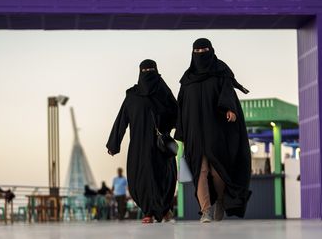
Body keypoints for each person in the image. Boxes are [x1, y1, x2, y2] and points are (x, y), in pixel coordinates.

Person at [175, 38, 252, 223]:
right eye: (197, 51)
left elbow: (228, 94)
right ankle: (206, 210)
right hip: (195, 134)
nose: (201, 54)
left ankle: (219, 201)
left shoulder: (220, 73)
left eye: (204, 50)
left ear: (211, 50)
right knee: (199, 171)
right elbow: (181, 107)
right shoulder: (187, 80)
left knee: (218, 171)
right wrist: (182, 132)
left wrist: (230, 109)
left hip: (216, 131)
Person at [107, 59, 178, 223]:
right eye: (145, 71)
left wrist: (179, 132)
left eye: (150, 70)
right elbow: (122, 120)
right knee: (141, 178)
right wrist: (113, 144)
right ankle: (148, 211)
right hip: (139, 146)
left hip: (160, 145)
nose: (148, 74)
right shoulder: (132, 96)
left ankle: (164, 210)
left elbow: (177, 113)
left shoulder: (163, 93)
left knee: (164, 178)